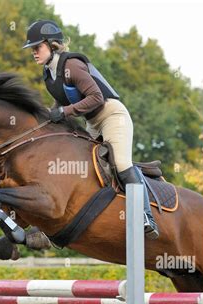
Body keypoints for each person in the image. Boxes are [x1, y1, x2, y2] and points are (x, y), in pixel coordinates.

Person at [22, 20, 159, 239]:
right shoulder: (49, 75)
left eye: (37, 47)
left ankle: (145, 215)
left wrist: (64, 112)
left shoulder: (71, 65)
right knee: (83, 167)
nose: (33, 52)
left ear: (51, 44)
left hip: (112, 115)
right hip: (91, 123)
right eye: (32, 49)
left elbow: (95, 97)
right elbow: (61, 104)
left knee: (121, 164)